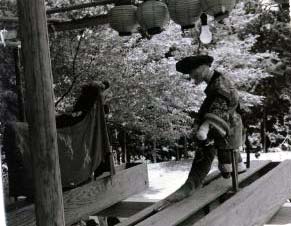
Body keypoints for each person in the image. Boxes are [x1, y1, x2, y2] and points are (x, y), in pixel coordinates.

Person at [165, 55, 246, 203]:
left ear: (203, 68)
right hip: (227, 125)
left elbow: (218, 109)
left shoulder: (221, 85)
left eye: (192, 71)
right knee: (215, 158)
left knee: (212, 153)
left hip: (226, 127)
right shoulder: (215, 82)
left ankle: (190, 186)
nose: (191, 76)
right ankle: (191, 185)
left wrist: (204, 127)